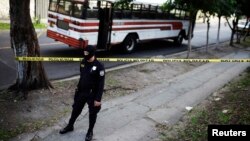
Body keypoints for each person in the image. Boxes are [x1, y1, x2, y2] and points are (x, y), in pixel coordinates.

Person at [59, 45, 105, 141]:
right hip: (81, 92)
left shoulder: (99, 66)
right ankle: (70, 126)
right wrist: (77, 91)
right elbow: (82, 77)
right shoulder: (83, 62)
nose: (86, 57)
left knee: (92, 114)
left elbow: (101, 85)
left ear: (92, 54)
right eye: (85, 54)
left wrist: (98, 99)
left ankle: (90, 131)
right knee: (75, 110)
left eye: (87, 55)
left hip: (93, 94)